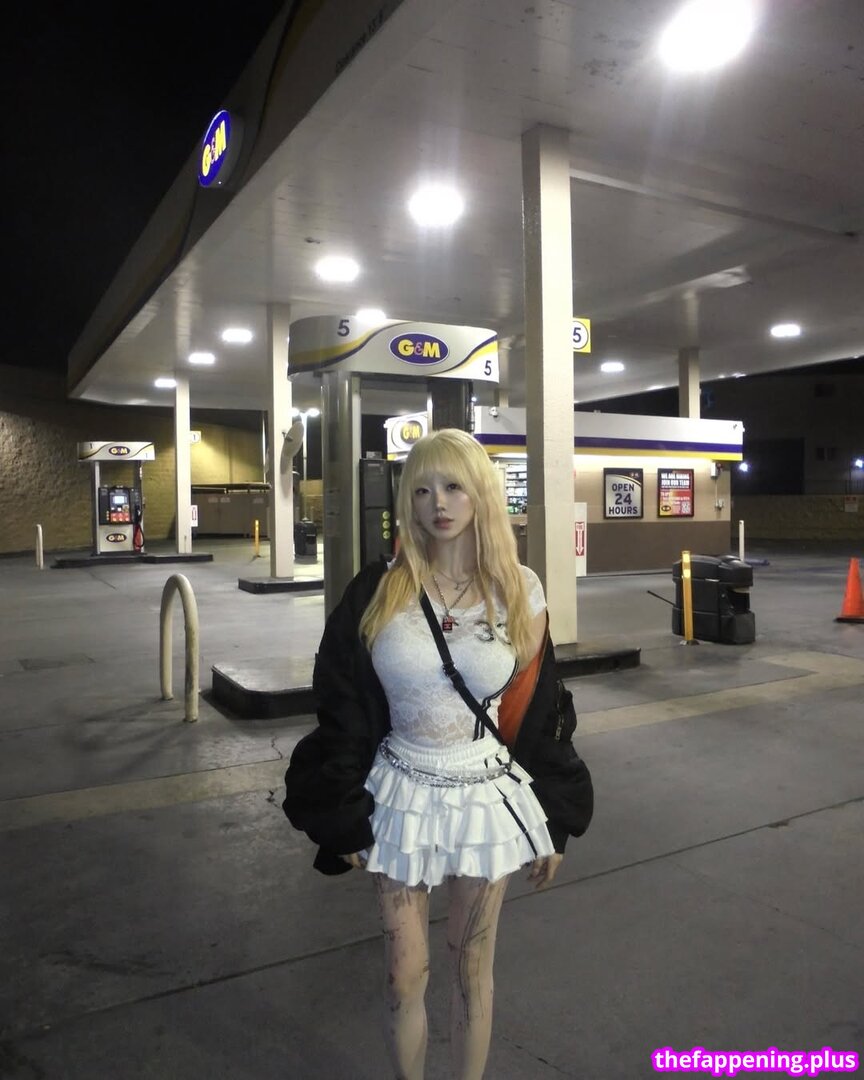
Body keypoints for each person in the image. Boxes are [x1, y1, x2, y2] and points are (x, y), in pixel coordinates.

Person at [283, 428, 593, 1080]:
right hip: (399, 791)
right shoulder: (378, 589)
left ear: (481, 493)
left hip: (483, 794)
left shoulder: (520, 591)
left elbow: (541, 713)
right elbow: (341, 703)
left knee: (471, 965)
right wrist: (341, 810)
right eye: (422, 490)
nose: (438, 503)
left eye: (453, 486)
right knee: (404, 975)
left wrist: (556, 817)